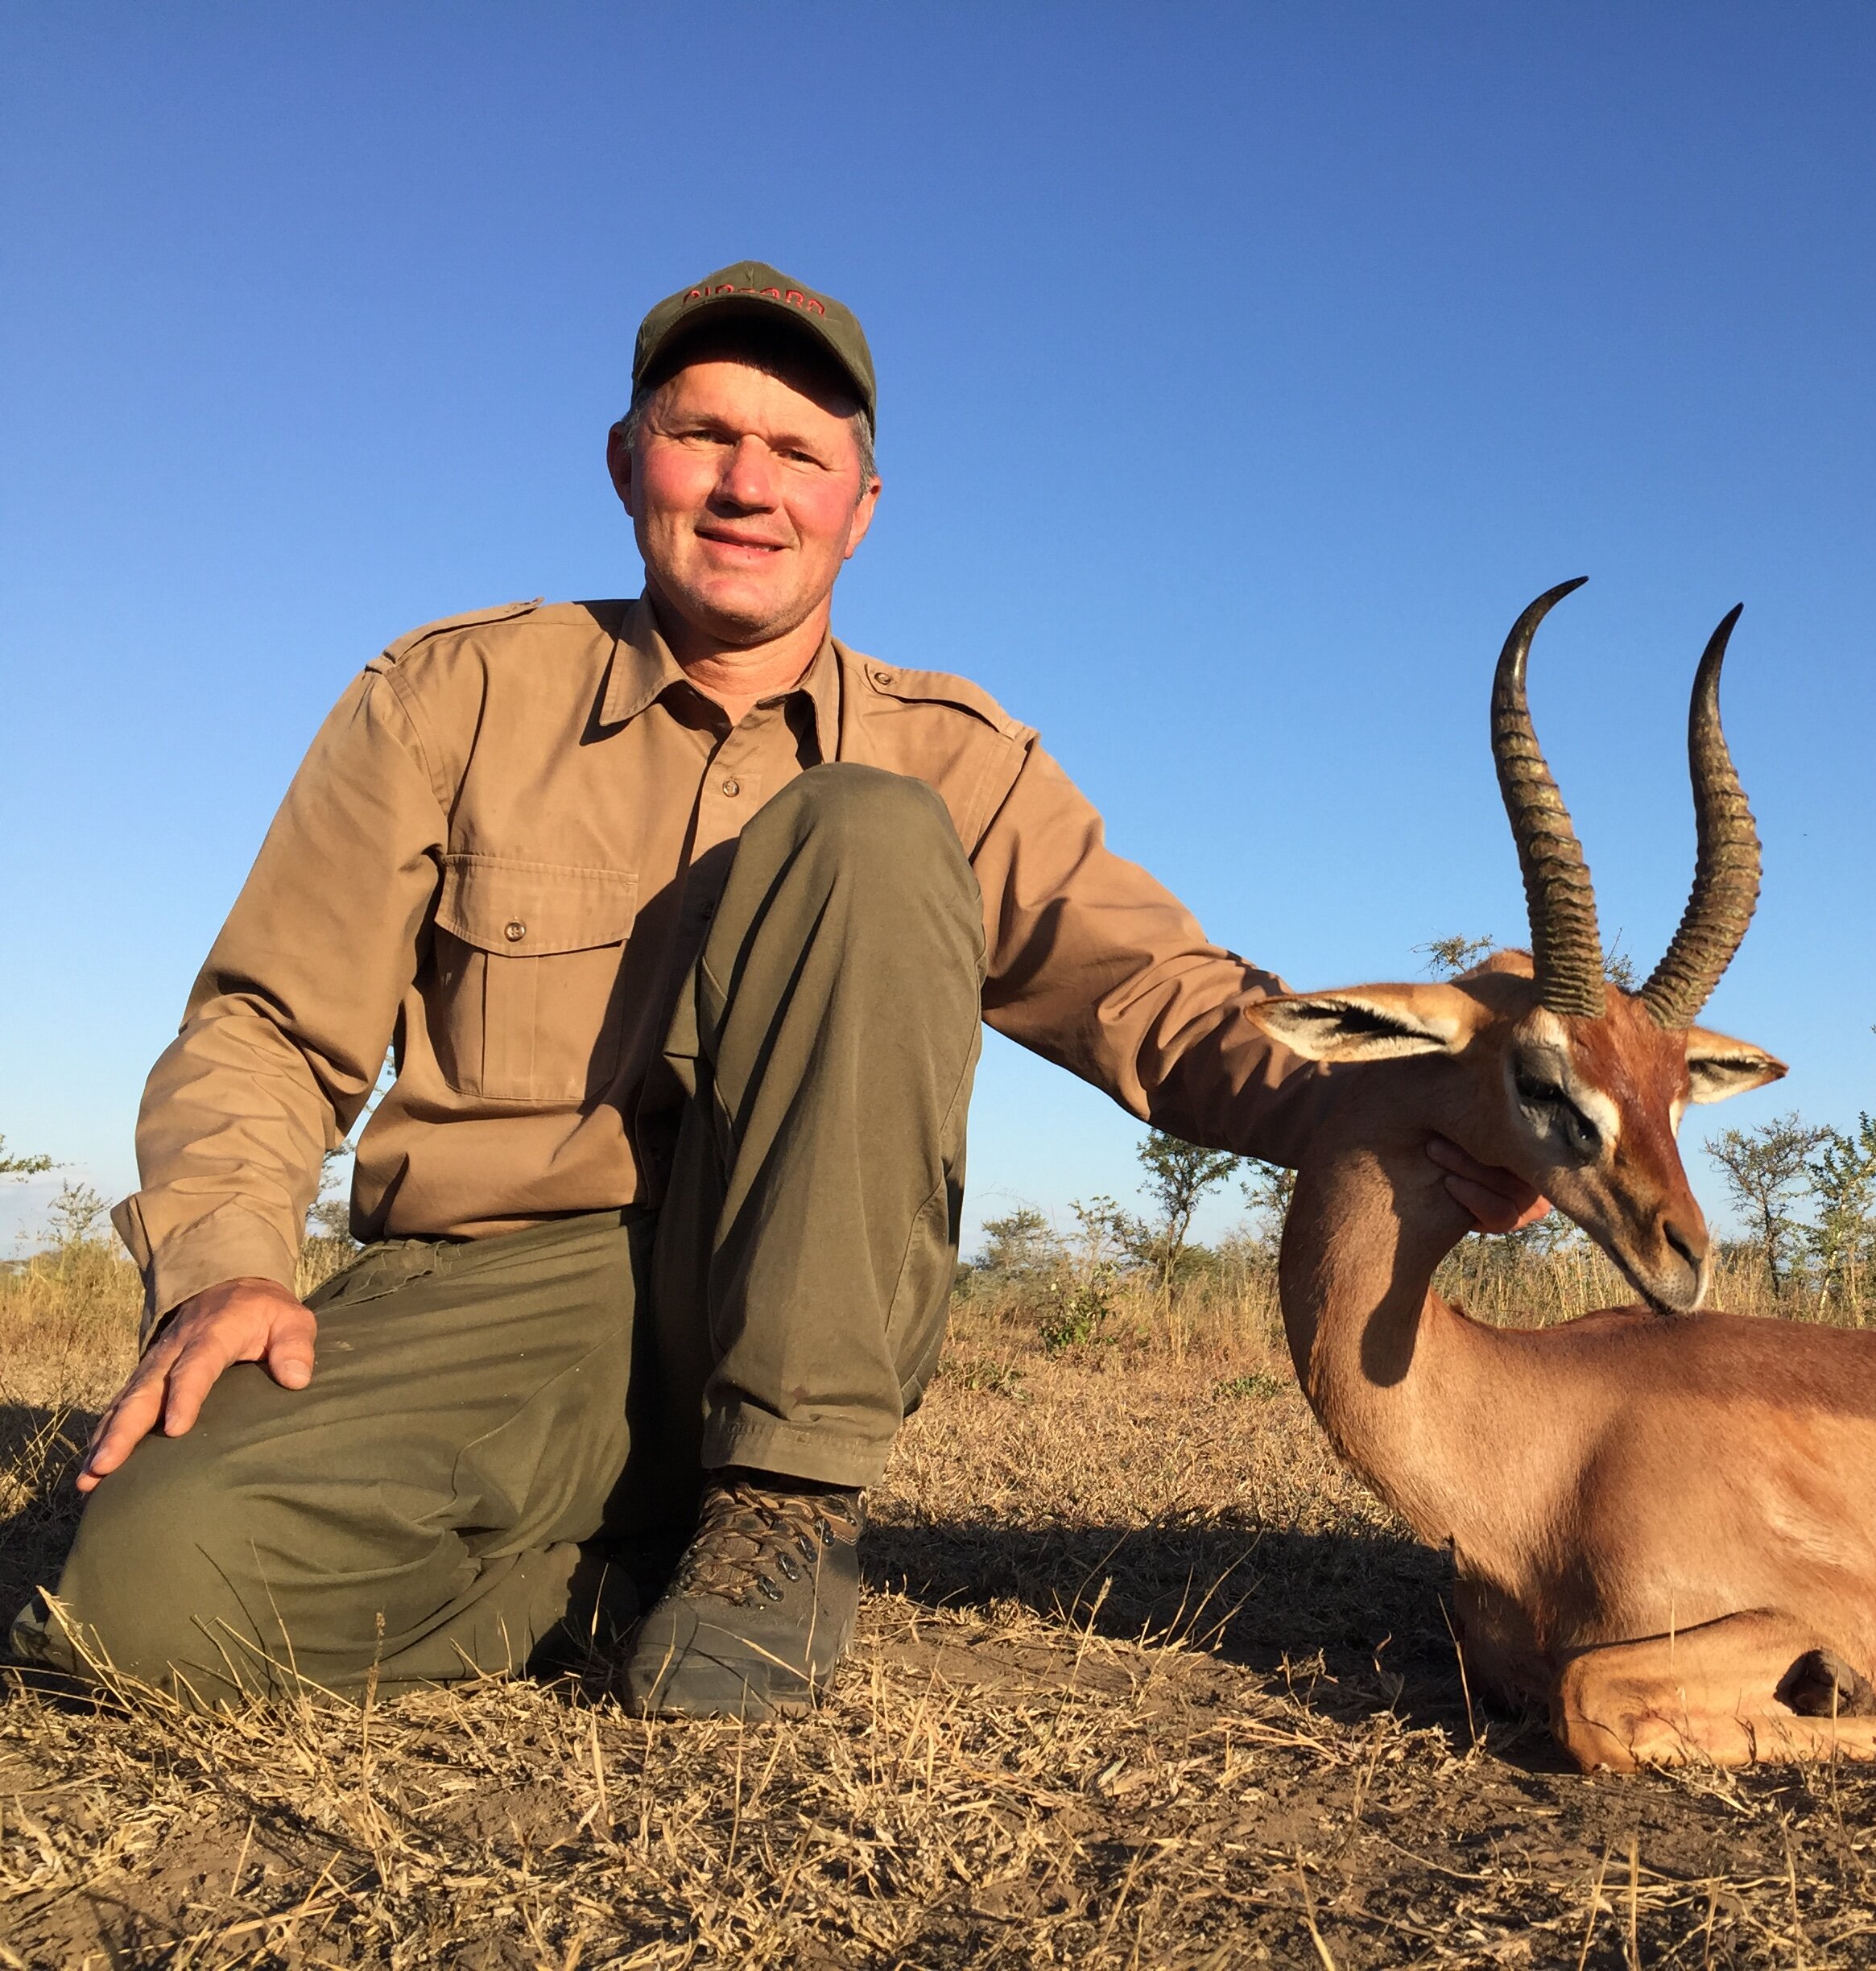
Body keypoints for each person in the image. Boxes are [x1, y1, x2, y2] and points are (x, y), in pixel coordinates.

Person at [14, 261, 1542, 1720]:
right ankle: (612, 1582)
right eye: (704, 437)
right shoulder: (453, 693)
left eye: (798, 454)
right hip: (495, 1288)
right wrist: (225, 1263)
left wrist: (1465, 1089)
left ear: (859, 509)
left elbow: (1165, 1004)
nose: (749, 486)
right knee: (143, 1601)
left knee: (868, 828)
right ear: (626, 463)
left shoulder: (955, 749)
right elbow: (262, 1028)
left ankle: (782, 1511)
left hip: (798, 1294)